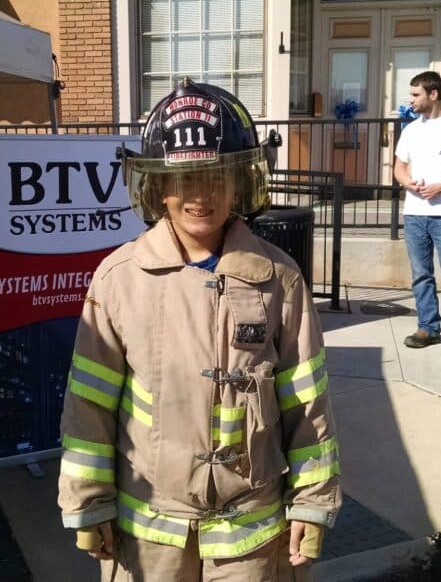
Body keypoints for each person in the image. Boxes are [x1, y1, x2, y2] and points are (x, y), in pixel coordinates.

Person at [58, 78, 341, 581]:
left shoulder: (279, 280)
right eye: (184, 178)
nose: (200, 194)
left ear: (240, 183)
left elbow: (306, 401)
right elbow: (89, 404)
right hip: (150, 536)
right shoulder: (119, 280)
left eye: (216, 176)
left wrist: (312, 502)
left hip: (253, 539)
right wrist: (88, 503)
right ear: (159, 185)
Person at [394, 71, 441, 358]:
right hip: (414, 215)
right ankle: (428, 328)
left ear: (433, 94)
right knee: (421, 275)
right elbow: (399, 167)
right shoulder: (411, 130)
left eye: (416, 95)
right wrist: (407, 182)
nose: (411, 100)